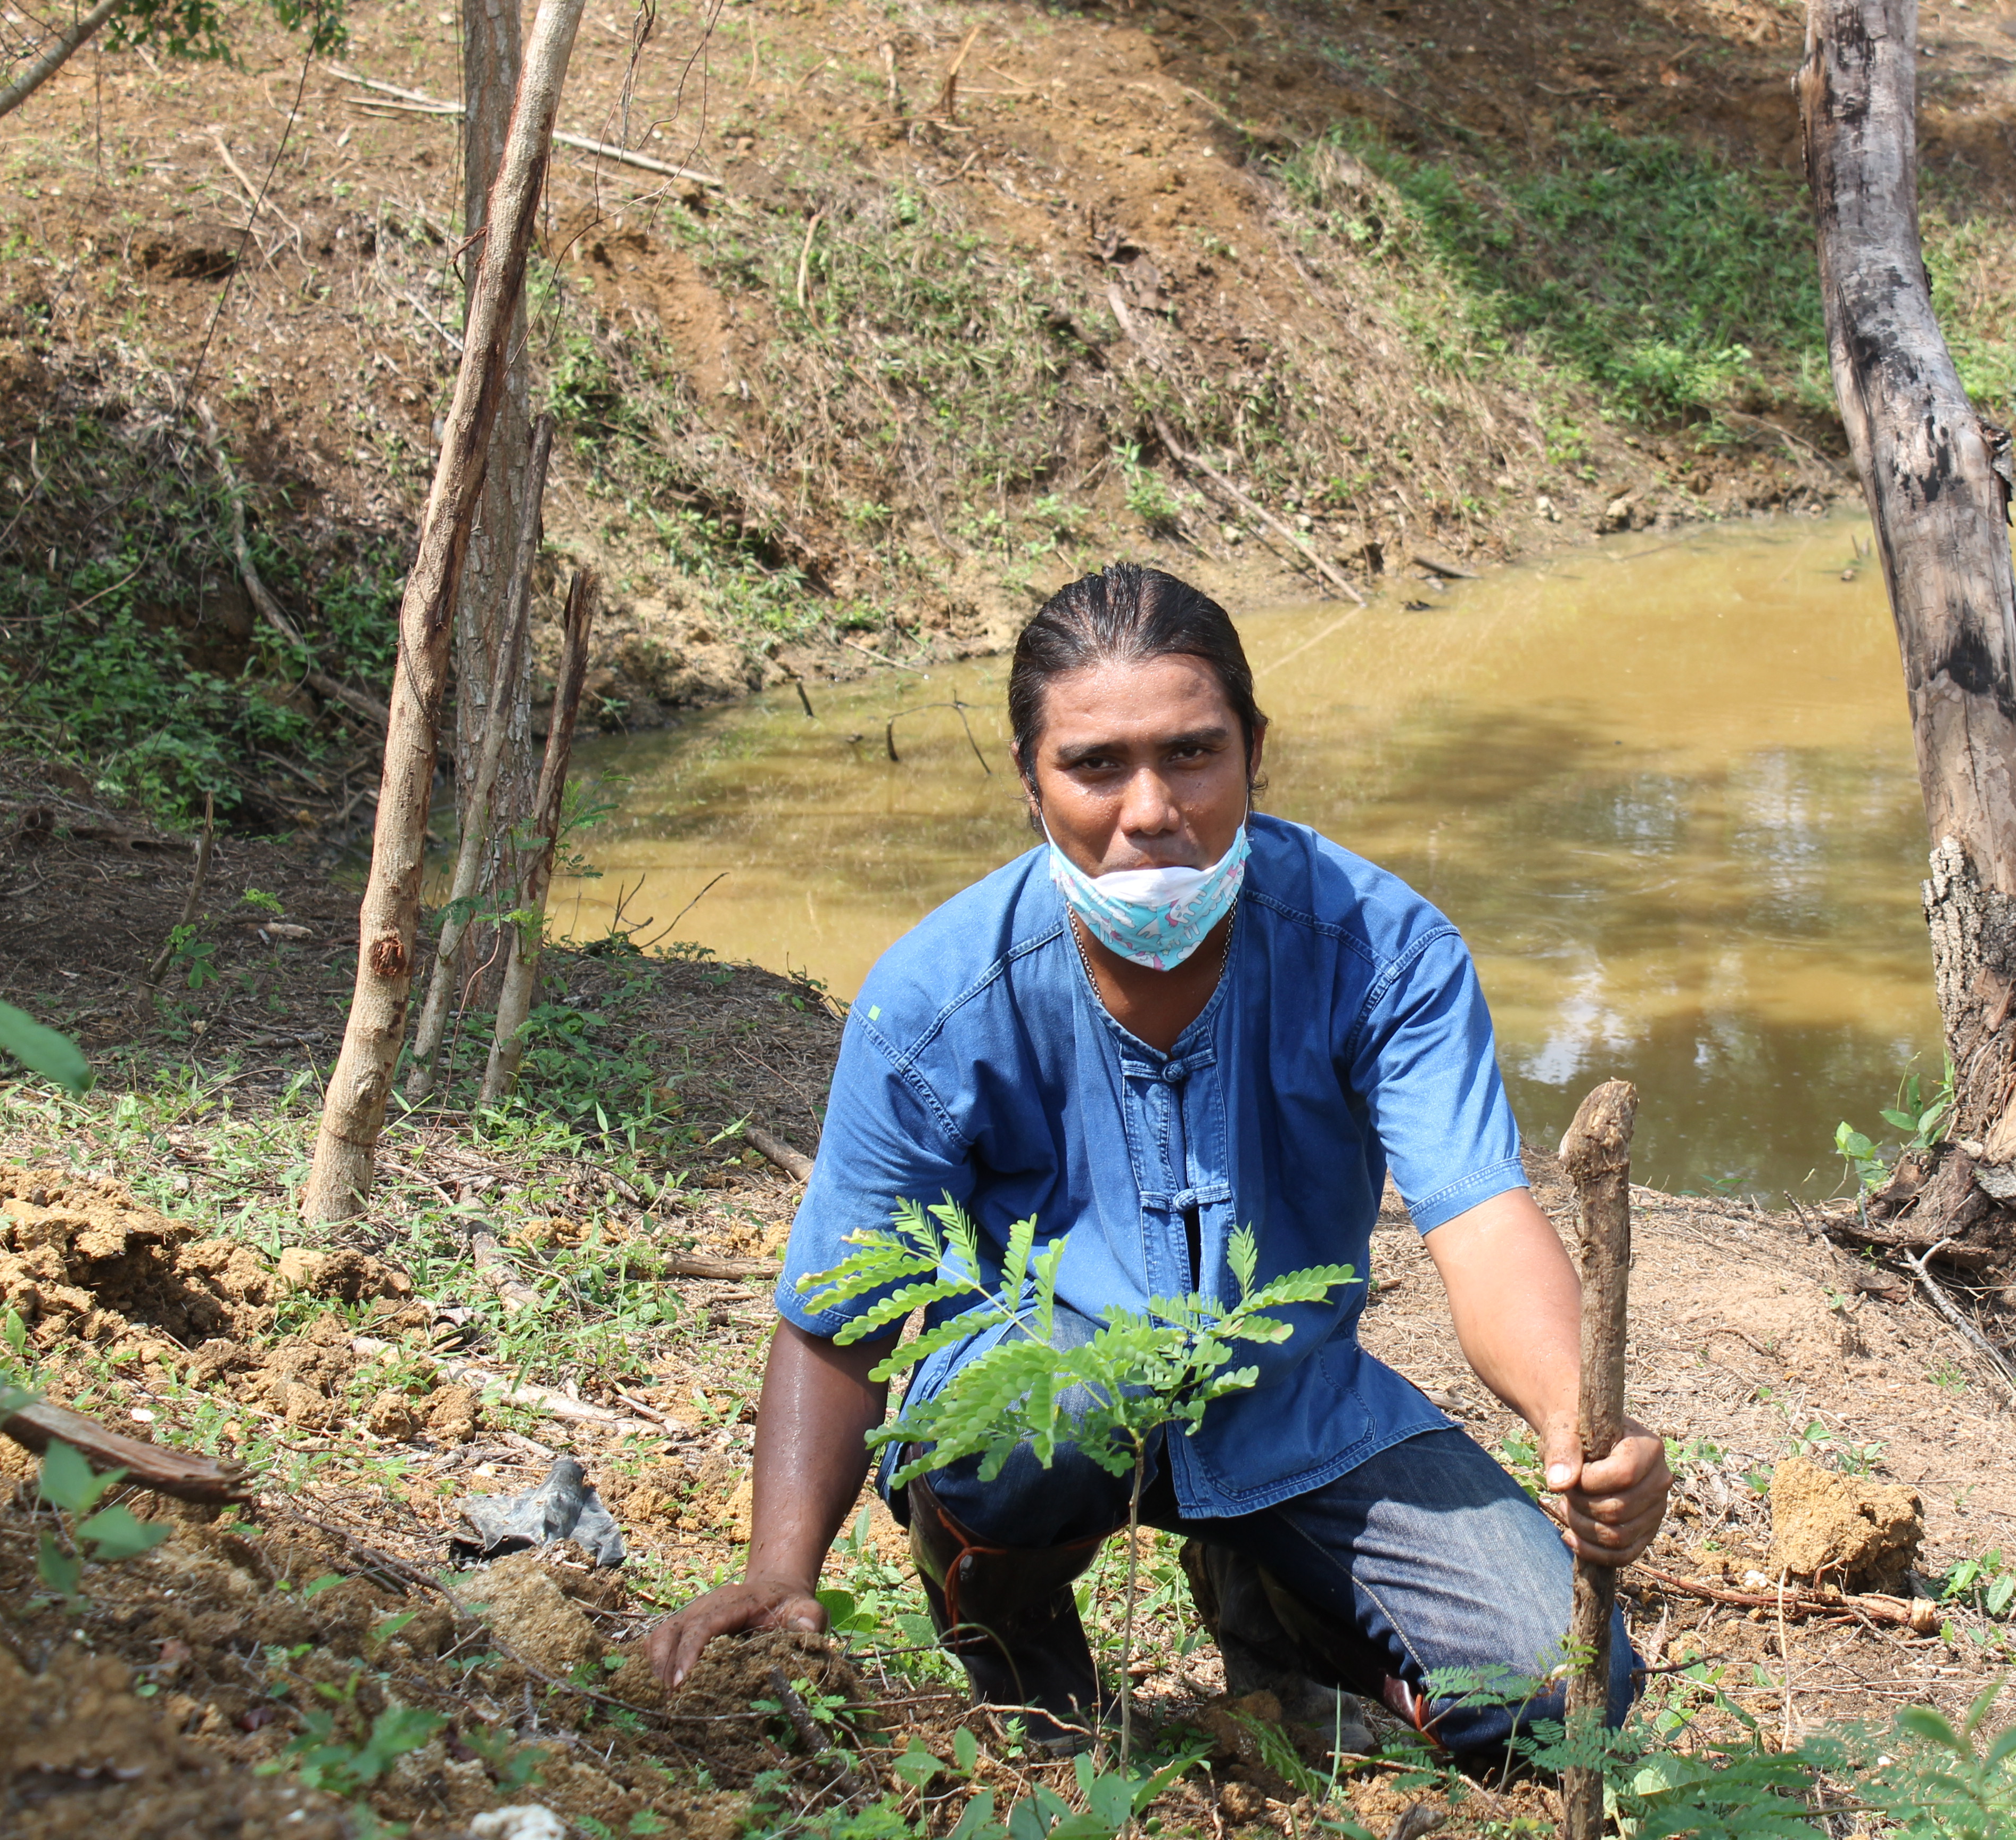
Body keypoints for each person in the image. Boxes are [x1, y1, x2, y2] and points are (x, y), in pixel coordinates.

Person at [643, 563, 1672, 1762]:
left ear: (1253, 752)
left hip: (1289, 1399)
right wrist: (780, 1571)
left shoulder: (1383, 950)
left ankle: (1275, 1609)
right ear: (1030, 781)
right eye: (1095, 766)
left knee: (1562, 1692)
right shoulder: (932, 998)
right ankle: (1020, 1659)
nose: (1150, 808)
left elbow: (1481, 1215)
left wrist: (1573, 1429)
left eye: (1192, 754)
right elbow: (843, 1309)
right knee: (1070, 1411)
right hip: (1038, 1403)